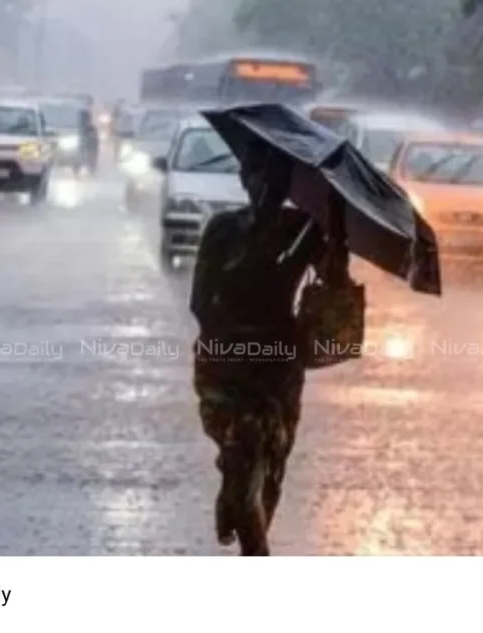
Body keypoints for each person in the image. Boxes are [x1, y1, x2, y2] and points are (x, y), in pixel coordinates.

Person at [190, 144, 346, 555]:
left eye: (276, 177)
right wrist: (233, 341)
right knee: (242, 454)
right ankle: (255, 550)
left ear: (286, 184)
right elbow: (200, 302)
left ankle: (243, 510)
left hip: (279, 366)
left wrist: (337, 235)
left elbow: (334, 286)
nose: (266, 185)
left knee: (273, 464)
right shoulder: (223, 230)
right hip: (226, 366)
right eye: (258, 174)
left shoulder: (302, 230)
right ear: (244, 179)